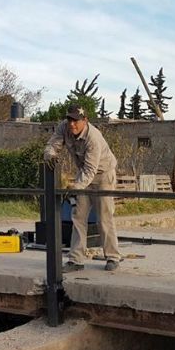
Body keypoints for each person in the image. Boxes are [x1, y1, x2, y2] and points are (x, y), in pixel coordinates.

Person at [43, 104, 121, 272]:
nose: (72, 124)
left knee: (104, 217)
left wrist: (75, 188)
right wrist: (49, 153)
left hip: (103, 175)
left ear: (85, 121)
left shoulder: (94, 138)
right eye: (70, 120)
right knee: (78, 216)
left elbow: (91, 170)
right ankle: (76, 260)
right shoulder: (64, 127)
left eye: (76, 121)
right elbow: (53, 143)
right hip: (83, 173)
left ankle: (113, 257)